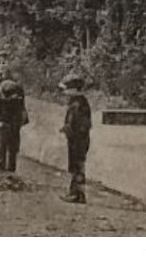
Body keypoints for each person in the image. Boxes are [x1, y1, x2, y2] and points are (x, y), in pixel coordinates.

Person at [59, 72, 91, 204]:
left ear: (74, 89)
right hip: (76, 139)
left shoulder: (78, 104)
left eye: (67, 89)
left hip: (78, 140)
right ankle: (76, 192)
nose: (65, 92)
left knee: (77, 166)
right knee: (76, 166)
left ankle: (77, 193)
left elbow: (81, 124)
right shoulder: (77, 102)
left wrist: (69, 129)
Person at [0, 78, 28, 173]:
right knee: (1, 150)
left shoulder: (17, 100)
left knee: (12, 150)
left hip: (12, 126)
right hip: (2, 126)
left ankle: (9, 171)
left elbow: (22, 116)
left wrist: (17, 124)